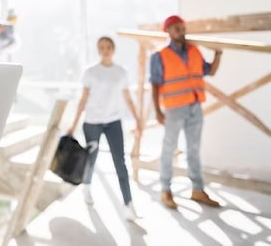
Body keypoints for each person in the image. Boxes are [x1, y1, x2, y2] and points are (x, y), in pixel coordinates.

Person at [150, 15, 223, 209]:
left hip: (195, 106)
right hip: (174, 108)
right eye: (176, 29)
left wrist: (218, 54)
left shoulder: (194, 51)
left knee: (194, 149)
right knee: (169, 149)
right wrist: (157, 111)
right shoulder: (160, 55)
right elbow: (155, 85)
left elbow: (210, 71)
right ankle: (166, 190)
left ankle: (197, 190)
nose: (181, 32)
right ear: (168, 31)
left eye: (182, 28)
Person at [67, 36, 142, 221]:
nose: (105, 50)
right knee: (91, 158)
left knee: (120, 162)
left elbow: (128, 98)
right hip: (92, 122)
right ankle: (87, 186)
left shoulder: (121, 73)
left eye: (108, 47)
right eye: (101, 47)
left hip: (113, 122)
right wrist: (73, 125)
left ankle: (128, 204)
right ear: (98, 50)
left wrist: (138, 121)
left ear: (113, 49)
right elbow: (83, 99)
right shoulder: (90, 72)